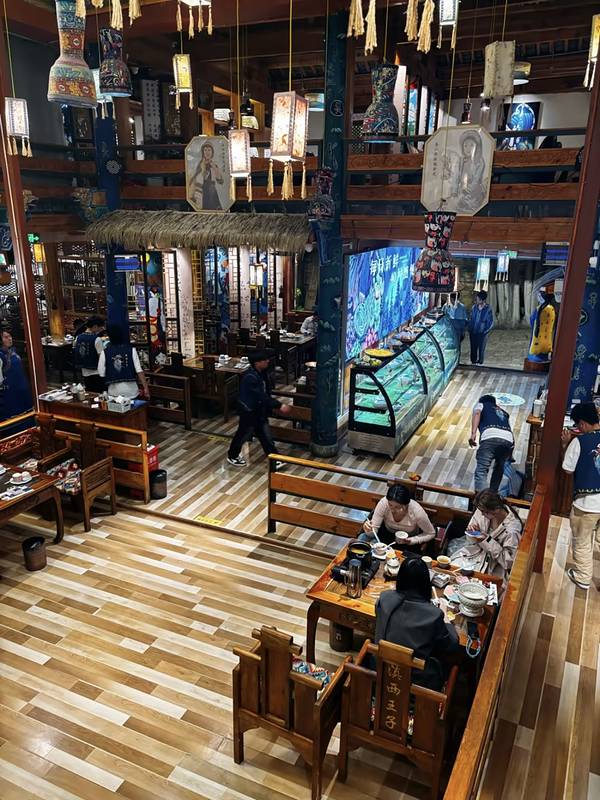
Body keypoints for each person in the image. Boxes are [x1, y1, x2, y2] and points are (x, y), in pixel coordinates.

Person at [375, 558, 459, 690]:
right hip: (416, 686)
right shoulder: (434, 615)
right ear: (425, 583)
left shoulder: (384, 598)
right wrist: (446, 618)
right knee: (449, 662)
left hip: (381, 673)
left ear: (400, 578)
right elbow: (452, 645)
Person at [447, 490, 522, 591]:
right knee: (452, 573)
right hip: (474, 554)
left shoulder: (512, 530)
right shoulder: (482, 510)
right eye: (480, 511)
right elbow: (471, 540)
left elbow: (508, 562)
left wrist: (486, 540)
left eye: (483, 512)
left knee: (479, 589)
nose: (481, 514)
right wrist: (472, 532)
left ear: (496, 510)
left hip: (495, 566)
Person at [227, 350, 291, 467]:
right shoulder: (250, 377)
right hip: (249, 411)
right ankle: (232, 455)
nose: (267, 361)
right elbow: (260, 395)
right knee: (244, 434)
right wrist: (278, 405)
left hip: (258, 410)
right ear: (257, 363)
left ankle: (274, 459)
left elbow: (265, 393)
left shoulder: (261, 373)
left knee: (265, 435)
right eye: (264, 360)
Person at [561, 402, 600, 591]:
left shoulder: (580, 441)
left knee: (582, 539)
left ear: (582, 423)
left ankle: (583, 578)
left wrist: (565, 444)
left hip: (587, 503)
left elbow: (568, 469)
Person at [360, 484, 436, 548]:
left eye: (397, 507)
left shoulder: (416, 511)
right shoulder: (384, 503)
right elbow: (373, 533)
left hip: (408, 544)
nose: (393, 510)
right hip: (385, 538)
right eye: (390, 505)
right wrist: (368, 529)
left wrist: (412, 540)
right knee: (363, 537)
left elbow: (431, 533)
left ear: (406, 505)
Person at [470, 394, 515, 492]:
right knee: (499, 468)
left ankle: (482, 499)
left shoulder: (481, 404)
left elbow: (477, 413)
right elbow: (509, 430)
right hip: (508, 440)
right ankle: (493, 495)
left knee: (481, 471)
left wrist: (473, 434)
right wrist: (510, 452)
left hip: (490, 436)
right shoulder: (503, 412)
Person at [97, 324, 149, 400]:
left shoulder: (104, 352)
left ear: (109, 337)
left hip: (114, 392)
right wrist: (146, 388)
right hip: (131, 391)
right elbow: (139, 371)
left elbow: (101, 373)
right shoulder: (131, 350)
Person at [0, 328, 33, 422]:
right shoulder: (1, 356)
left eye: (10, 336)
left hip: (23, 389)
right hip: (11, 393)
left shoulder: (13, 351)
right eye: (6, 337)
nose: (9, 339)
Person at [72, 316, 105, 393]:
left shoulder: (78, 337)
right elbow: (101, 357)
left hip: (84, 370)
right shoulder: (97, 339)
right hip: (97, 371)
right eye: (100, 328)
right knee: (99, 393)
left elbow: (75, 349)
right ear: (95, 326)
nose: (101, 330)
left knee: (90, 392)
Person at [189, 142, 224, 210]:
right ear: (203, 152)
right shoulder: (199, 165)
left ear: (212, 152)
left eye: (209, 150)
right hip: (201, 191)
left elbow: (220, 180)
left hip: (212, 191)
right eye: (205, 150)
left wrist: (214, 167)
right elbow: (196, 178)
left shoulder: (214, 165)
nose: (207, 152)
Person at [467, 290, 494, 365]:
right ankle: (473, 361)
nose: (477, 300)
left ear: (482, 300)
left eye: (478, 299)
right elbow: (471, 318)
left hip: (482, 333)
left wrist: (485, 331)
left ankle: (480, 362)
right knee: (473, 347)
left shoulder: (488, 309)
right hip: (473, 331)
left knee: (481, 348)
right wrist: (469, 328)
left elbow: (490, 322)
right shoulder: (474, 307)